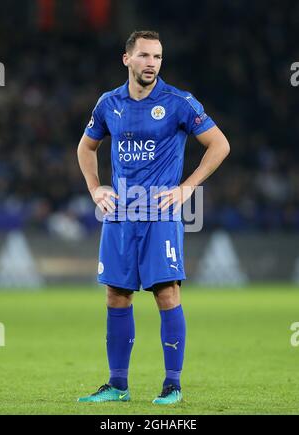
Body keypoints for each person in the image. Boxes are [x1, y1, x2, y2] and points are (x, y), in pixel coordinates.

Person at [77, 30, 230, 405]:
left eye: (158, 57)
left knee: (166, 291)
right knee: (116, 294)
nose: (151, 63)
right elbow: (86, 146)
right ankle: (117, 385)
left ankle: (172, 384)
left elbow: (219, 144)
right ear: (126, 59)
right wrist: (96, 188)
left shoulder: (178, 102)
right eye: (144, 56)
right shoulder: (108, 103)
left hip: (160, 213)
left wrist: (187, 187)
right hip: (120, 215)